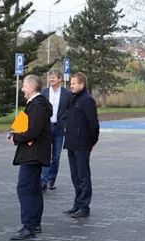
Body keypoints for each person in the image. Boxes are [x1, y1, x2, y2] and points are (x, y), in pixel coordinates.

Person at [7, 74, 52, 240]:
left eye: (24, 86)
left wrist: (16, 138)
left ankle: (28, 226)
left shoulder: (36, 106)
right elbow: (28, 126)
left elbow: (33, 131)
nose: (22, 89)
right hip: (35, 153)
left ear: (32, 87)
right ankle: (34, 223)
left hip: (32, 153)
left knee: (24, 188)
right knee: (33, 188)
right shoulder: (36, 105)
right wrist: (15, 132)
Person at [63, 72, 100, 218]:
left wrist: (92, 141)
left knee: (83, 176)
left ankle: (84, 206)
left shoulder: (87, 100)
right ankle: (77, 203)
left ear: (82, 85)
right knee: (75, 176)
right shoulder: (74, 99)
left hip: (82, 144)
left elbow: (93, 124)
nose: (70, 86)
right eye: (71, 83)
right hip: (71, 143)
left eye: (73, 83)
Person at [41, 69, 72, 192]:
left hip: (59, 129)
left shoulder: (67, 94)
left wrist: (66, 124)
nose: (51, 79)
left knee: (56, 157)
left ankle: (51, 179)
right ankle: (43, 181)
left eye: (53, 77)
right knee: (45, 155)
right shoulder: (44, 93)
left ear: (60, 79)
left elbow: (71, 110)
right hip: (46, 128)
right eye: (50, 77)